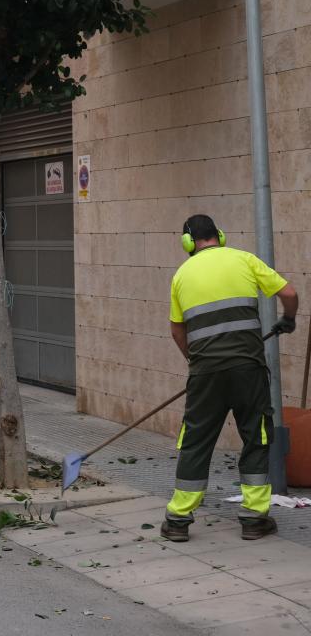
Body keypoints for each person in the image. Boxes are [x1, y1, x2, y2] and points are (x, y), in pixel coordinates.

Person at [161, 214, 298, 542]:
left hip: (205, 374)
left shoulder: (181, 275)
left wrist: (197, 362)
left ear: (188, 243)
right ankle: (253, 519)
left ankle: (178, 520)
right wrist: (288, 319)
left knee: (196, 441)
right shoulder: (245, 259)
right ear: (219, 236)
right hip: (248, 370)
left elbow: (177, 331)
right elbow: (289, 293)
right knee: (256, 437)